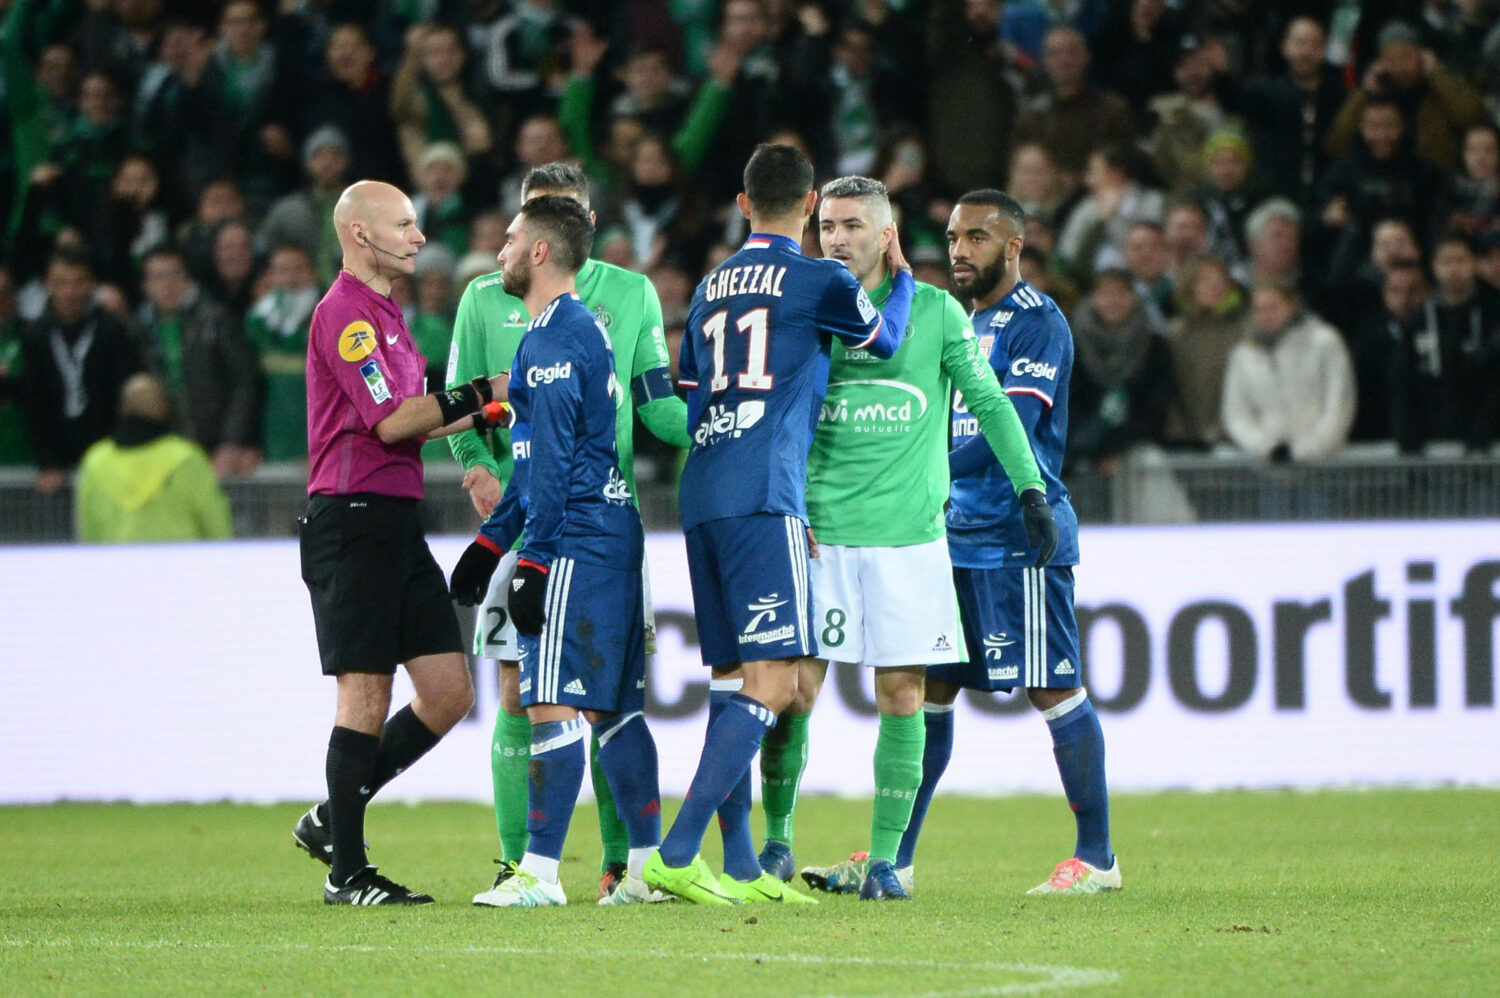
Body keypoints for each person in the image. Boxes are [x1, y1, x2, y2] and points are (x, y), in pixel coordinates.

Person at [806, 189, 1118, 898]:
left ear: (1013, 247)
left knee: (1053, 687)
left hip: (1017, 535)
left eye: (977, 238)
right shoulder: (945, 317)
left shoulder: (1036, 323)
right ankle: (896, 859)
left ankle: (1097, 856)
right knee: (926, 692)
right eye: (951, 237)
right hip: (950, 535)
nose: (958, 251)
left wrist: (912, 455)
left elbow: (1009, 421)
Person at [750, 175, 1052, 900]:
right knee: (792, 694)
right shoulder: (803, 305)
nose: (836, 239)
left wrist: (1029, 487)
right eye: (826, 226)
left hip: (909, 539)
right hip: (820, 532)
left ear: (885, 235)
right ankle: (776, 843)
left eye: (853, 225)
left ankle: (885, 862)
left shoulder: (940, 314)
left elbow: (989, 402)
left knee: (903, 696)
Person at [642, 143, 914, 904]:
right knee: (779, 685)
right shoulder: (820, 276)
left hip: (702, 492)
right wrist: (903, 280)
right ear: (811, 204)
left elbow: (691, 401)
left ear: (741, 203)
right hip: (766, 493)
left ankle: (741, 870)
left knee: (735, 684)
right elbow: (884, 339)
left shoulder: (707, 287)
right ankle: (675, 851)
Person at [444, 161, 690, 905]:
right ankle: (644, 869)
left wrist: (533, 562)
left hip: (577, 535)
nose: (500, 250)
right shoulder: (566, 329)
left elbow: (551, 472)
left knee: (547, 700)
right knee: (614, 706)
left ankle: (539, 874)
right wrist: (490, 545)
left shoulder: (554, 340)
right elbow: (539, 460)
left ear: (543, 250)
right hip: (606, 525)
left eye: (512, 238)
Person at [290, 179, 508, 906]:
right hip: (351, 521)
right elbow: (389, 424)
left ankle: (332, 816)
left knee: (447, 694)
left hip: (392, 520)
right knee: (366, 690)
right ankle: (346, 872)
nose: (420, 238)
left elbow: (418, 417)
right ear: (360, 234)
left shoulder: (388, 314)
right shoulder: (347, 315)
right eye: (406, 225)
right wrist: (478, 393)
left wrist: (488, 407)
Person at [18, 248, 144, 495]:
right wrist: (48, 461)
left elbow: (124, 394)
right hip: (58, 465)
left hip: (110, 457)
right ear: (46, 284)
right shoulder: (36, 336)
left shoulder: (112, 330)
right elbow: (36, 402)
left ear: (91, 284)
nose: (69, 292)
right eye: (60, 283)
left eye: (78, 282)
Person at [75, 373, 231, 543]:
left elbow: (88, 526)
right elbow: (213, 520)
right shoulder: (185, 457)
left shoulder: (96, 460)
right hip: (181, 564)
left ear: (123, 408)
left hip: (117, 564)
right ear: (163, 407)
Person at [1221, 281, 1355, 462]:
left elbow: (1339, 404)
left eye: (1273, 307)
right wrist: (1267, 448)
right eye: (1259, 309)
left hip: (1323, 462)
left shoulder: (1324, 342)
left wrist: (1309, 449)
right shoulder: (1243, 354)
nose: (1265, 315)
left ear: (1292, 305)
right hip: (1268, 464)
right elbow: (1236, 414)